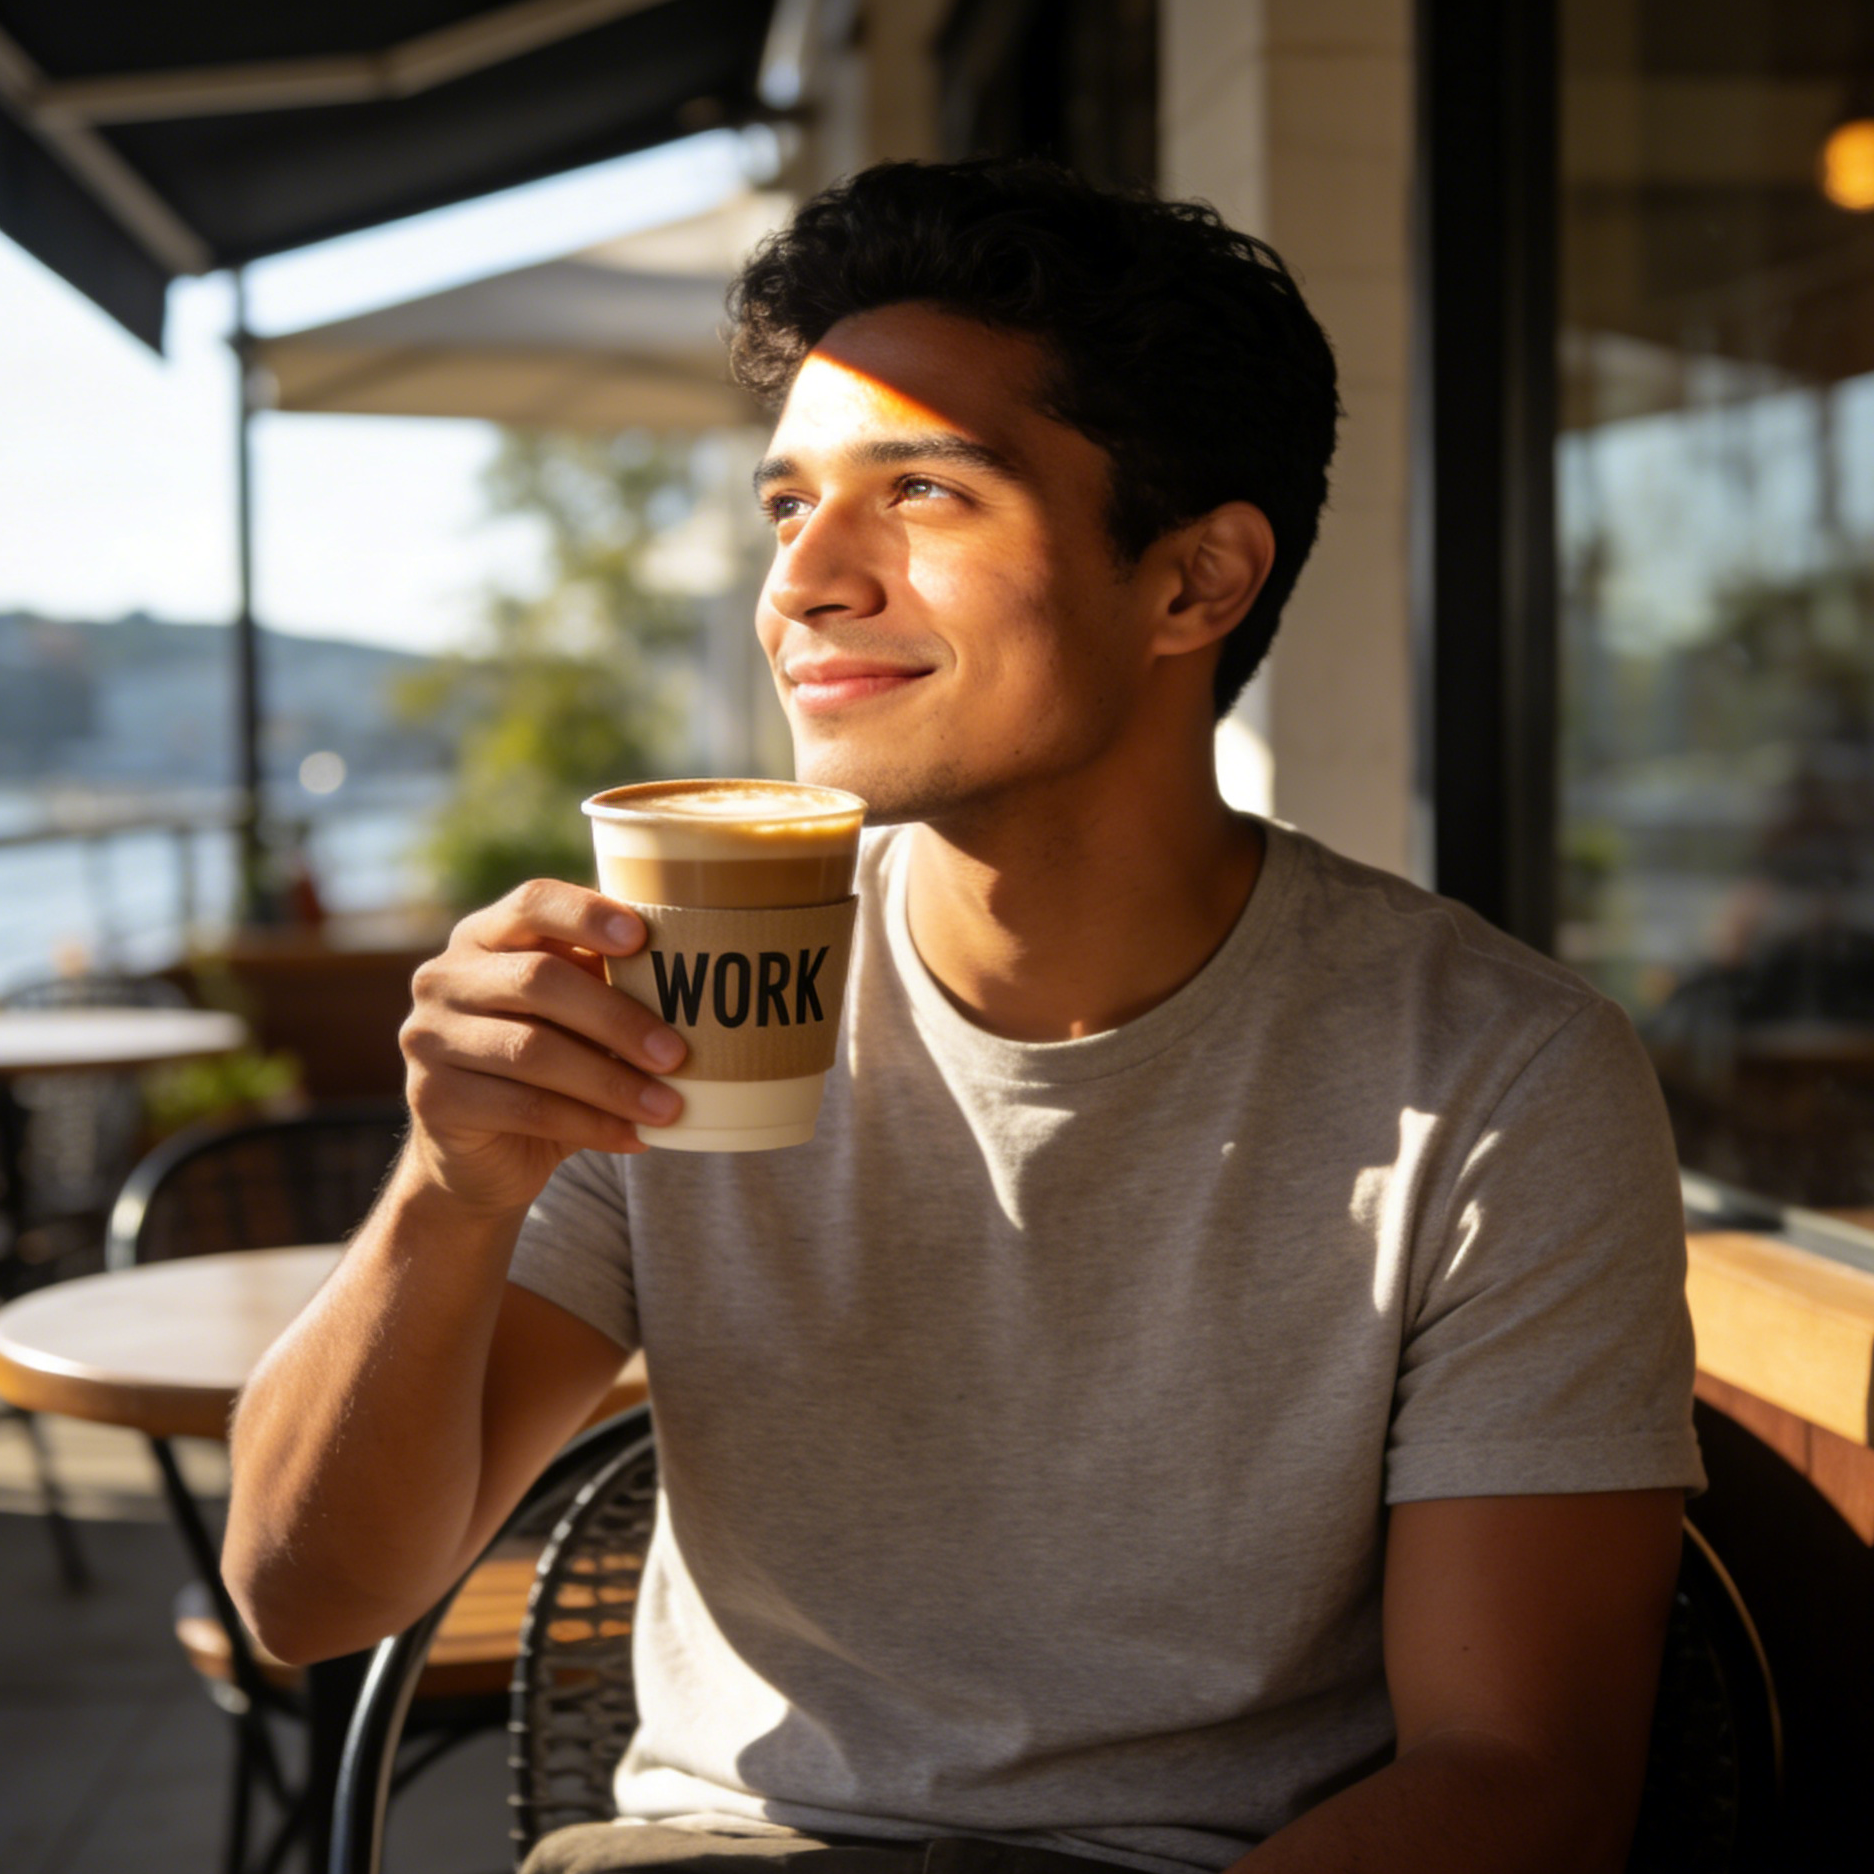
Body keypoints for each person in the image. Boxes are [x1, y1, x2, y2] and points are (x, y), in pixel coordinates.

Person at [224, 159, 1703, 1874]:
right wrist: (447, 1186)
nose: (804, 583)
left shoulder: (1489, 1076)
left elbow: (1518, 1776)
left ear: (1192, 583)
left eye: (919, 490)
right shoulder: (673, 994)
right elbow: (303, 1593)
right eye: (788, 508)